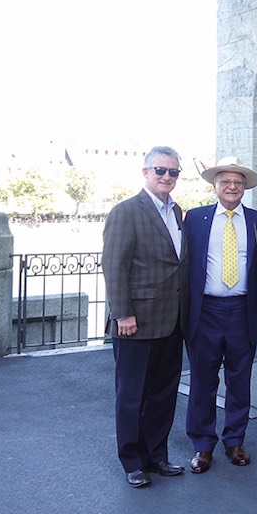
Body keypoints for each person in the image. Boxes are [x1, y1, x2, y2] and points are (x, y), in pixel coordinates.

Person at [102, 146, 189, 488]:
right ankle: (132, 461)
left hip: (172, 320)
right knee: (132, 394)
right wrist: (122, 313)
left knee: (163, 394)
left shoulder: (176, 211)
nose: (167, 177)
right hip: (135, 322)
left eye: (173, 172)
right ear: (145, 172)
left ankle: (157, 456)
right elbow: (114, 266)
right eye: (160, 170)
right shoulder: (126, 212)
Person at [183, 157, 257, 474]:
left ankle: (234, 441)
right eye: (226, 181)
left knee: (239, 381)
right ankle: (202, 445)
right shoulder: (196, 219)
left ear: (245, 187)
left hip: (243, 310)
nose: (232, 186)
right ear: (215, 186)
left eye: (238, 182)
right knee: (202, 382)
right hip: (205, 311)